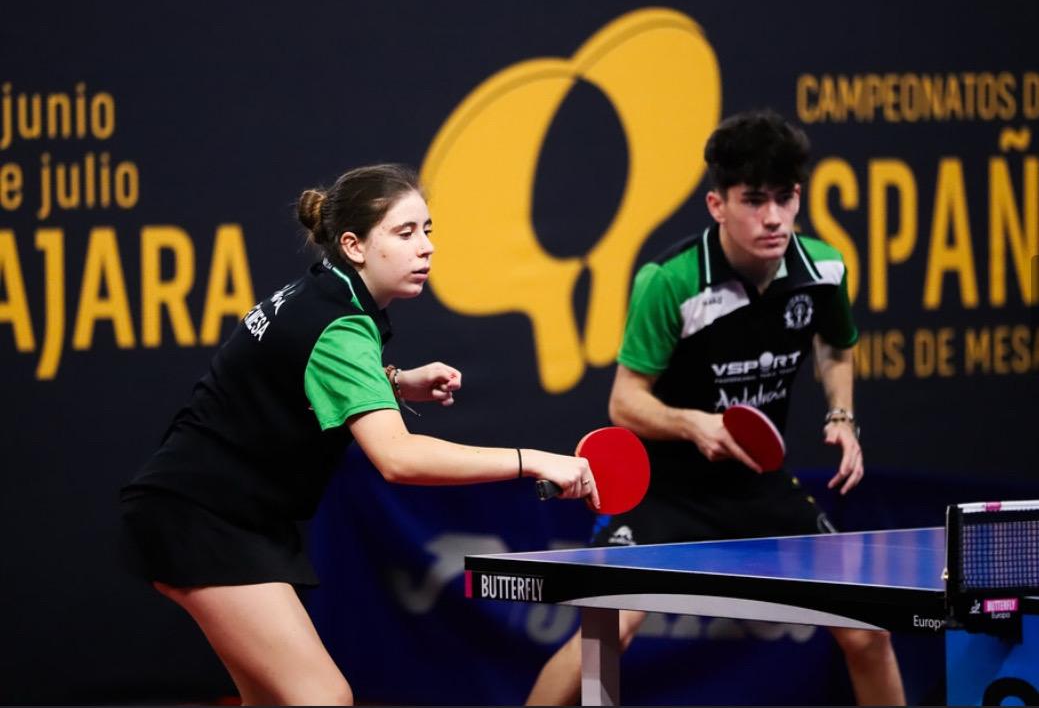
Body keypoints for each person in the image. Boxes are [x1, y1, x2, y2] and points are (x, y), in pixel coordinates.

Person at [119, 163, 599, 706]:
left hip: (211, 510)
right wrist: (534, 459)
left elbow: (295, 369)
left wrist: (394, 381)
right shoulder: (342, 327)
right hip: (202, 519)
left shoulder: (319, 295)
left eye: (428, 230)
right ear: (354, 245)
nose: (426, 248)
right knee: (323, 697)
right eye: (404, 233)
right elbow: (399, 458)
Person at [526, 111, 906, 706]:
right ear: (717, 204)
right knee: (605, 636)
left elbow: (834, 346)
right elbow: (624, 402)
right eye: (754, 200)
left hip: (759, 485)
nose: (774, 217)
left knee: (869, 635)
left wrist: (841, 415)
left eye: (785, 198)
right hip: (664, 491)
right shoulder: (672, 282)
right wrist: (690, 423)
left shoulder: (824, 269)